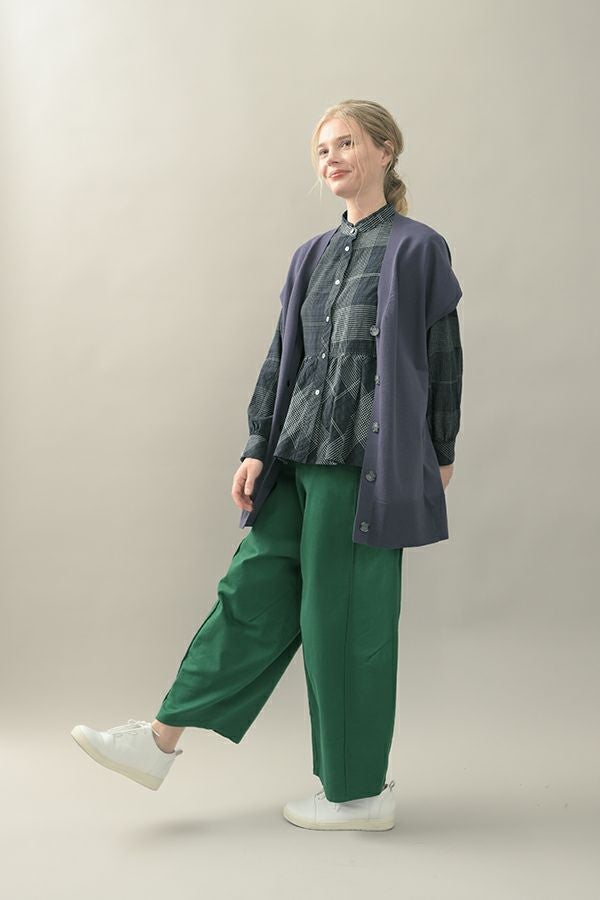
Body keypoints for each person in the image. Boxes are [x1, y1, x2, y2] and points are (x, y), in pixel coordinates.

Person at [71, 99, 463, 832]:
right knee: (248, 593)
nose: (331, 159)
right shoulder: (311, 255)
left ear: (385, 151)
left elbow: (441, 357)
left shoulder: (418, 248)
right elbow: (285, 356)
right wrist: (257, 444)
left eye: (346, 144)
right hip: (296, 457)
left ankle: (356, 794)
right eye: (322, 150)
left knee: (341, 623)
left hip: (363, 468)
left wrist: (438, 452)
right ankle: (159, 740)